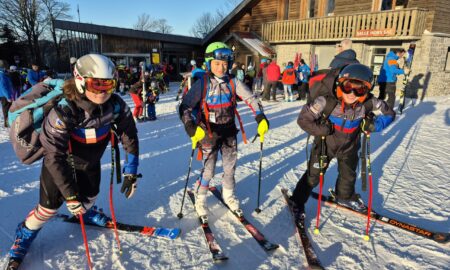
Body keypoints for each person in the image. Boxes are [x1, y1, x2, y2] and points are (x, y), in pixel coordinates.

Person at [6, 54, 140, 269]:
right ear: (79, 80)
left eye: (109, 84)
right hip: (60, 165)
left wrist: (131, 170)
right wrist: (69, 195)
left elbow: (129, 134)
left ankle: (86, 212)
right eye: (96, 84)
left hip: (89, 162)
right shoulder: (64, 111)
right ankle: (24, 234)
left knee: (89, 199)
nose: (103, 91)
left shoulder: (115, 105)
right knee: (47, 210)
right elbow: (53, 156)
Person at [288, 64, 395, 223]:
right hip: (325, 146)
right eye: (347, 87)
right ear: (340, 85)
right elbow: (303, 119)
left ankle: (344, 196)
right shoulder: (325, 102)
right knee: (313, 176)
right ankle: (296, 201)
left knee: (348, 176)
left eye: (359, 90)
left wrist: (375, 125)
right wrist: (320, 130)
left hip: (349, 147)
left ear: (366, 90)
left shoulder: (369, 103)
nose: (352, 93)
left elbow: (389, 113)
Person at [179, 42, 269, 220]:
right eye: (217, 64)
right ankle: (201, 197)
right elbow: (185, 106)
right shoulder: (203, 83)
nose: (221, 68)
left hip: (228, 131)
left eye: (225, 64)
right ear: (209, 63)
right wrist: (190, 126)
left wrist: (260, 116)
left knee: (230, 168)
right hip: (208, 133)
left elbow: (251, 98)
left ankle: (228, 195)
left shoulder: (233, 81)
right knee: (209, 170)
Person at [0, 59, 13, 127]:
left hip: (5, 94)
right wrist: (8, 96)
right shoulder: (1, 74)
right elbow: (3, 86)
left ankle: (7, 121)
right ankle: (7, 122)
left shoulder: (3, 73)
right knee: (6, 109)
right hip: (4, 95)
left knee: (7, 109)